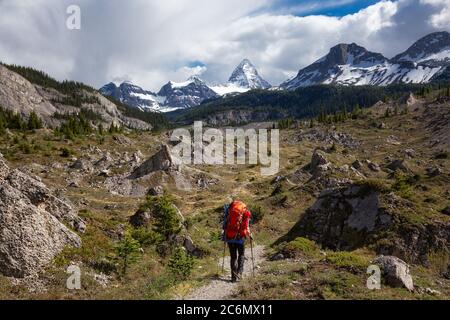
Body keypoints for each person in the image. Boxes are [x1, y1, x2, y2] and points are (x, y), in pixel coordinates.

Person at [222, 200, 252, 283]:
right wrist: (249, 234)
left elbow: (224, 224)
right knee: (241, 254)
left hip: (230, 236)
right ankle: (240, 272)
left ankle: (233, 277)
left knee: (233, 256)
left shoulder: (228, 210)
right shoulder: (245, 212)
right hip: (240, 236)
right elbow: (246, 225)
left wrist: (224, 234)